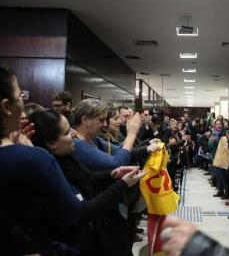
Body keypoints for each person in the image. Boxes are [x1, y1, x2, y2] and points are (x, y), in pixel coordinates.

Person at [29, 109, 147, 255]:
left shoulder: (69, 155)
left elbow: (88, 177)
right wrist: (122, 183)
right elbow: (82, 211)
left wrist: (112, 174)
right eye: (66, 133)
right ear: (51, 143)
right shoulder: (52, 167)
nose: (73, 134)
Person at [0, 64, 82, 255]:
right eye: (21, 96)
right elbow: (70, 213)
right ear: (6, 107)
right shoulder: (33, 159)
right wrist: (29, 153)